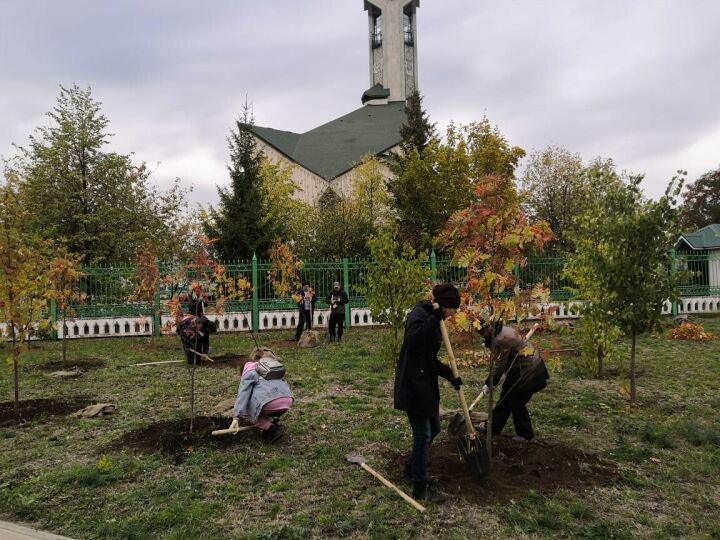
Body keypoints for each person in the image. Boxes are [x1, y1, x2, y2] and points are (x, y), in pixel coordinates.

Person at [394, 284, 463, 503]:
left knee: (434, 428)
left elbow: (430, 357)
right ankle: (420, 487)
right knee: (422, 434)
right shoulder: (420, 314)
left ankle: (412, 465)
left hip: (425, 383)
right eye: (453, 308)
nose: (455, 313)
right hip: (414, 384)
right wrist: (435, 317)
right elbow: (413, 341)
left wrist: (451, 375)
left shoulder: (435, 318)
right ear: (444, 305)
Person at [477, 319, 549, 442]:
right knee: (506, 397)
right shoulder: (503, 329)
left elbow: (499, 366)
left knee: (515, 400)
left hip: (529, 371)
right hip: (524, 368)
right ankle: (493, 427)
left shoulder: (500, 339)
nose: (482, 336)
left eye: (482, 333)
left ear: (487, 330)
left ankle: (525, 434)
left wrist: (490, 383)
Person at [229, 355, 294, 443]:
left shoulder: (248, 372)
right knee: (259, 403)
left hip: (272, 402)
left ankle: (271, 429)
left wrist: (236, 417)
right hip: (288, 400)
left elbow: (243, 395)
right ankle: (269, 427)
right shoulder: (267, 367)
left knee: (246, 411)